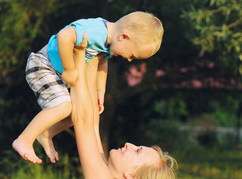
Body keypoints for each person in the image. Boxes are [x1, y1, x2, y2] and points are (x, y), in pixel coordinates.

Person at [49, 33, 188, 179]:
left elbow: (83, 121)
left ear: (131, 175)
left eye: (137, 151)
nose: (129, 144)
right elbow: (92, 122)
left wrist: (80, 57)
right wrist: (92, 57)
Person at [12, 11, 164, 164]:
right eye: (132, 55)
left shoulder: (108, 43)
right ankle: (24, 139)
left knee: (77, 113)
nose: (129, 60)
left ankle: (46, 133)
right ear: (124, 37)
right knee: (64, 107)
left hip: (57, 74)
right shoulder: (96, 30)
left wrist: (100, 91)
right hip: (43, 65)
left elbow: (103, 63)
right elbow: (65, 37)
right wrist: (69, 69)